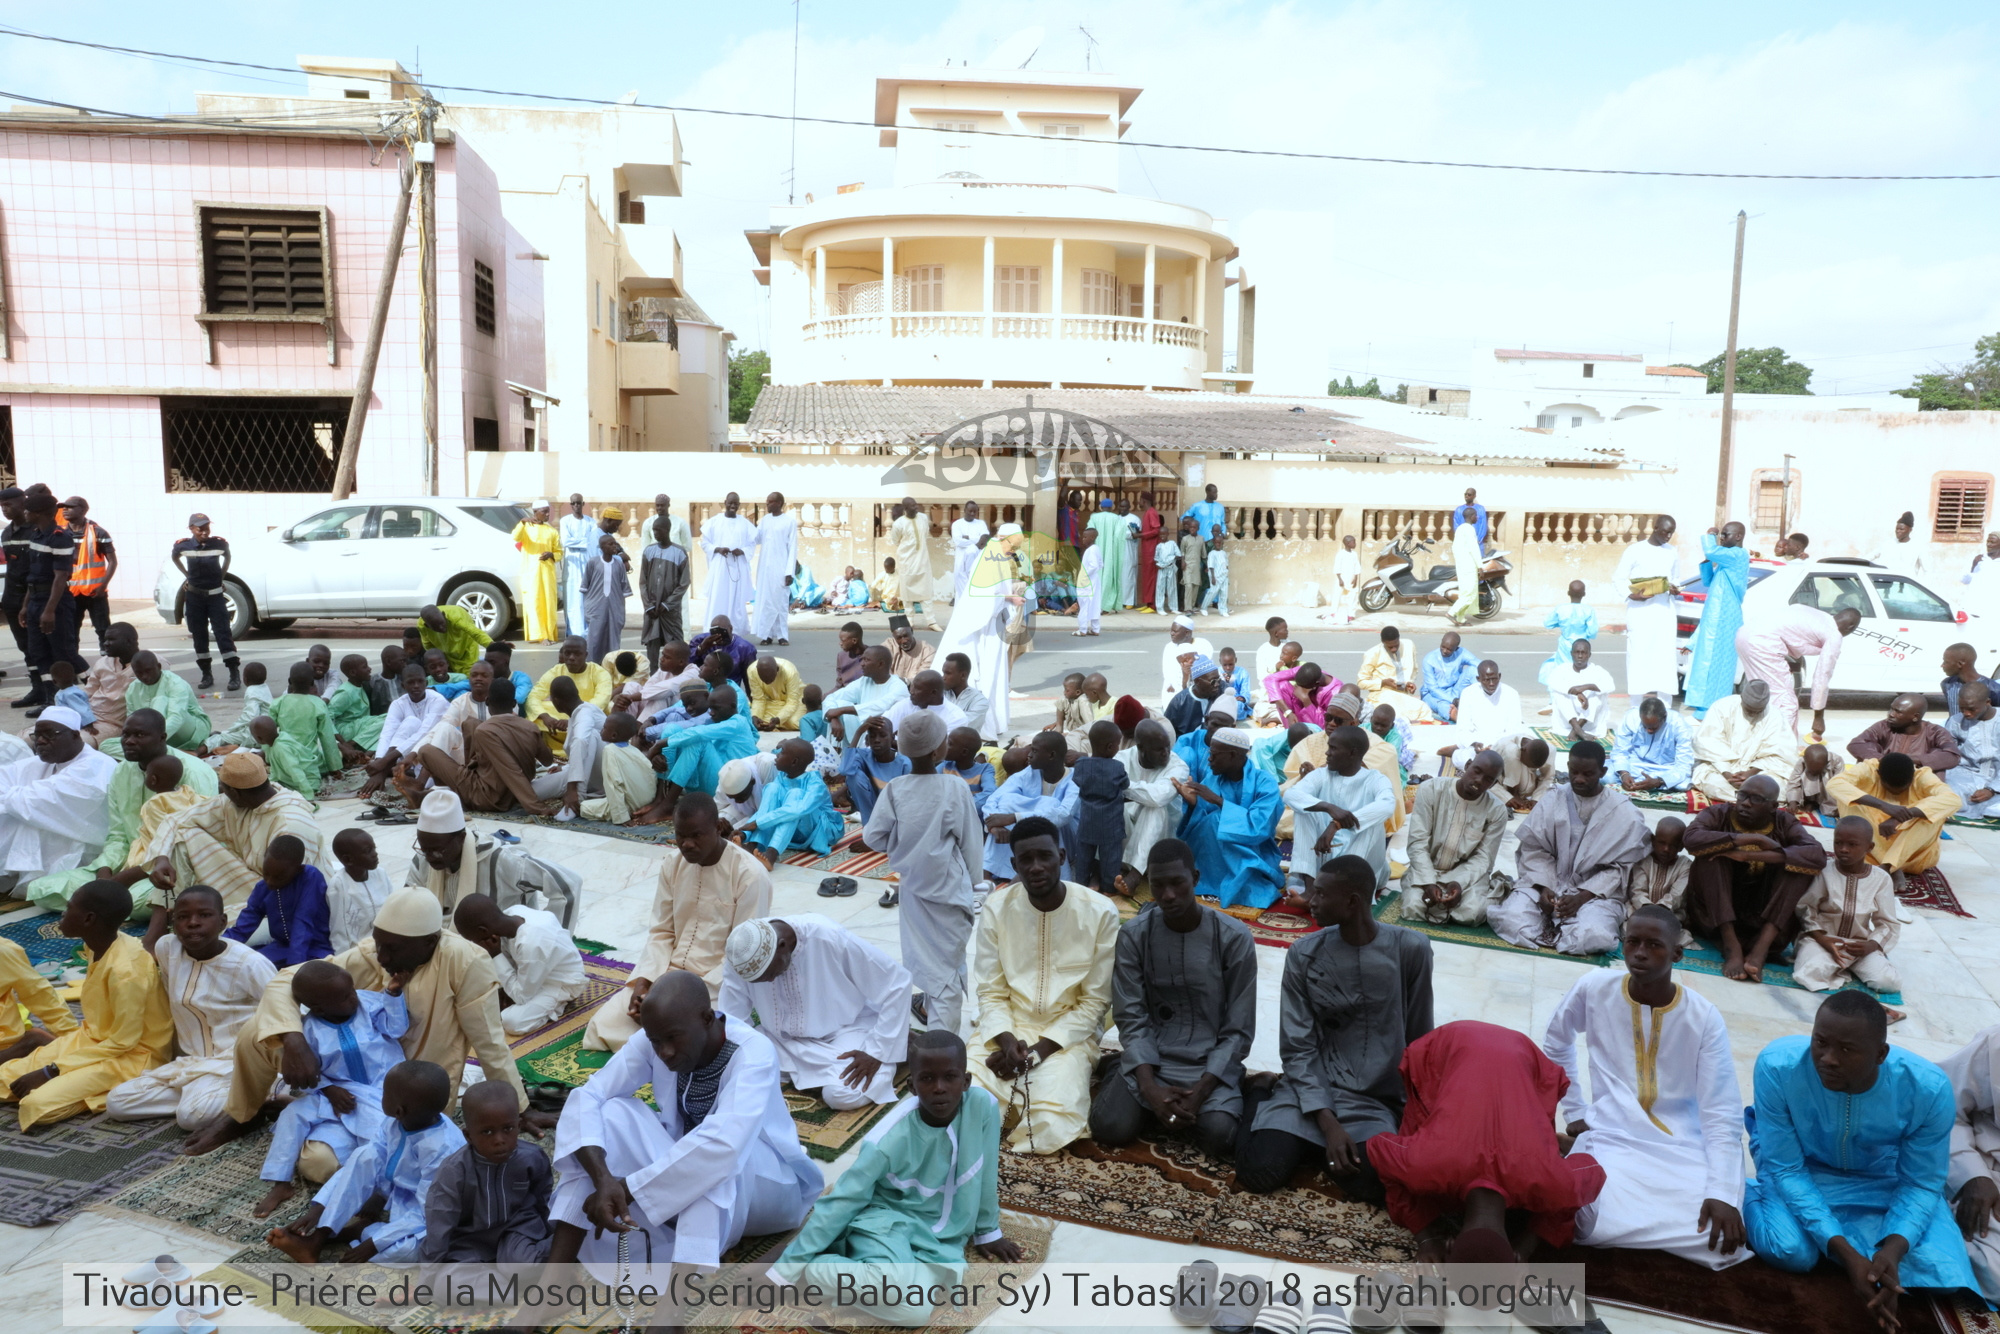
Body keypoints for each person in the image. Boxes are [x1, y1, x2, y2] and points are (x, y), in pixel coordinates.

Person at [181, 888, 542, 1160]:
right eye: (379, 944)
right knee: (260, 1031)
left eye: (392, 950)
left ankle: (309, 1119)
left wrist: (520, 1107)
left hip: (407, 1085)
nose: (382, 958)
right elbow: (289, 980)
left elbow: (490, 1041)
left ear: (430, 942)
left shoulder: (466, 963)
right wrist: (293, 1041)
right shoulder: (377, 951)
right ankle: (241, 1113)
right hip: (344, 1075)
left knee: (321, 1165)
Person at [550, 972, 825, 1280]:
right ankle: (554, 1279)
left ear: (708, 1018)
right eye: (656, 1042)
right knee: (612, 1112)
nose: (664, 1052)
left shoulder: (753, 1054)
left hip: (765, 1186)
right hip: (684, 1175)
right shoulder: (655, 1037)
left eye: (673, 1039)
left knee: (711, 1161)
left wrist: (628, 1188)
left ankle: (672, 1314)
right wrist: (604, 1180)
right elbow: (590, 1094)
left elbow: (723, 1148)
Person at [1742, 994, 1977, 1322]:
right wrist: (1848, 1254)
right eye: (1820, 1042)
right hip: (1801, 1168)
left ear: (1881, 1054)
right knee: (1790, 1251)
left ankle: (1864, 1253)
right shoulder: (1777, 1066)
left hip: (1881, 1175)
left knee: (1944, 1271)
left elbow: (1921, 1182)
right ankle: (1748, 1194)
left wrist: (1893, 1249)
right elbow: (1787, 1167)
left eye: (1847, 1049)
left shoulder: (1928, 1089)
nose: (1828, 1059)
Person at [1542, 905, 1749, 1268]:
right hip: (1612, 1138)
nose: (1639, 953)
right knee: (1586, 1219)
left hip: (1682, 1147)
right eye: (1632, 942)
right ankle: (1577, 1149)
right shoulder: (1594, 987)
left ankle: (1636, 1217)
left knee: (1718, 1235)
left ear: (1677, 954)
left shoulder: (1703, 1017)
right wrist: (1574, 1110)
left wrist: (1722, 1193)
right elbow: (1556, 1042)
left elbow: (1721, 1112)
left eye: (1654, 945)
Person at [774, 1028, 1018, 1321]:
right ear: (912, 1087)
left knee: (920, 1297)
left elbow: (987, 1167)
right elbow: (844, 1199)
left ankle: (871, 1275)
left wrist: (987, 1230)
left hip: (939, 1239)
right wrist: (784, 1271)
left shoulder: (983, 1107)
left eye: (950, 1077)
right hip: (886, 1224)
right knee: (913, 1310)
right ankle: (810, 1271)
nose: (939, 1087)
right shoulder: (886, 1140)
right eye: (927, 1079)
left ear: (965, 1081)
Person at [1238, 855, 1433, 1198]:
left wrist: (1411, 1111)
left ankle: (1312, 1148)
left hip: (1373, 1100)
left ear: (1353, 901)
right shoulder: (1304, 953)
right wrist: (1329, 1126)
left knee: (1374, 1184)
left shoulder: (1410, 950)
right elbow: (1297, 1046)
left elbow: (1419, 1037)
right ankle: (1259, 1092)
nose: (1311, 901)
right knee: (1259, 1172)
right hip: (1309, 1090)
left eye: (1322, 894)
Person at [1370, 1020, 1609, 1265]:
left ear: (1450, 1243)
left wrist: (1526, 1245)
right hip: (1456, 1046)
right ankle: (1541, 1140)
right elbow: (1378, 1147)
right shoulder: (1426, 1164)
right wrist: (1426, 1238)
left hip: (1518, 1052)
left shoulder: (1546, 1180)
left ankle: (1542, 1141)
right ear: (1450, 1244)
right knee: (1414, 1155)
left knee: (1417, 1178)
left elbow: (1590, 1170)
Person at [1092, 839, 1256, 1160]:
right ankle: (1122, 1070)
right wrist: (1150, 1087)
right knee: (1109, 1128)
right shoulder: (1134, 935)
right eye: (1158, 885)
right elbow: (1131, 1016)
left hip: (1209, 1063)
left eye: (1177, 883)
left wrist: (1202, 1091)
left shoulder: (1234, 937)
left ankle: (1249, 1089)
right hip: (1153, 1059)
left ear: (1195, 878)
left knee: (1220, 1137)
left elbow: (1239, 1029)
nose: (1167, 895)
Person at [969, 815, 1120, 1154]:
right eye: (1026, 859)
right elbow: (991, 991)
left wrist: (1035, 1055)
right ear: (1014, 864)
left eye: (1045, 856)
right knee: (965, 1097)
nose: (1036, 867)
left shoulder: (1100, 912)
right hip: (1004, 1030)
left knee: (1051, 1125)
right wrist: (1008, 1044)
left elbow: (1095, 1003)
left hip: (1066, 1038)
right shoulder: (997, 908)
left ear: (1062, 857)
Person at [584, 793, 771, 1051]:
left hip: (717, 985)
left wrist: (676, 998)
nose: (687, 844)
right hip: (666, 974)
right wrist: (645, 982)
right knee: (603, 1026)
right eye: (681, 836)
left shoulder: (750, 876)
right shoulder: (673, 864)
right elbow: (661, 931)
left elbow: (742, 956)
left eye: (696, 835)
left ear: (717, 828)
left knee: (699, 1038)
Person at [96, 885, 269, 1132]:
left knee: (191, 1118)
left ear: (222, 922)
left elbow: (287, 1012)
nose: (193, 923)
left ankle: (262, 1094)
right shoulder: (168, 949)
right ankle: (212, 1098)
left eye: (204, 915)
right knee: (118, 1103)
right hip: (192, 1063)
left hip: (235, 1062)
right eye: (183, 917)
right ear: (173, 922)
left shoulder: (248, 963)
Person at [0, 879, 170, 1129]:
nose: (62, 914)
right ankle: (67, 1076)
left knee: (34, 1104)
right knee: (5, 1080)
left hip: (133, 1055)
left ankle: (97, 1091)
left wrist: (51, 1071)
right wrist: (65, 1054)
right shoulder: (97, 945)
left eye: (69, 908)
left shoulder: (126, 971)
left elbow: (124, 1042)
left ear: (89, 919)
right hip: (94, 1040)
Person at [252, 960, 411, 1214]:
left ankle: (379, 1189)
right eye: (344, 997)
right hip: (335, 1094)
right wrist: (328, 1090)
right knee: (292, 1114)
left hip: (380, 1091)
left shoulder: (368, 1004)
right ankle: (280, 1182)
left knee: (376, 1135)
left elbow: (396, 1028)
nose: (353, 998)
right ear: (319, 1007)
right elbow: (311, 1073)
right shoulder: (309, 1029)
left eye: (351, 990)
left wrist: (392, 995)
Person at [266, 1059, 462, 1265]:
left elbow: (427, 1213)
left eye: (385, 1094)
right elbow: (370, 1161)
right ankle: (319, 1237)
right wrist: (321, 1208)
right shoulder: (397, 1121)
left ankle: (355, 1232)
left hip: (428, 1208)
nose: (380, 1097)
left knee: (407, 1251)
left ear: (399, 1110)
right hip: (397, 1187)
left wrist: (374, 1244)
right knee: (363, 1155)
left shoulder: (442, 1149)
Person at [720, 915, 911, 1111]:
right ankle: (822, 1071)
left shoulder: (829, 937)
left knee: (840, 1096)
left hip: (846, 1032)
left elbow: (897, 983)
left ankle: (894, 1053)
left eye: (770, 974)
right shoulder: (740, 953)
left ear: (783, 946)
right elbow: (734, 1019)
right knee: (734, 1069)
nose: (769, 982)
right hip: (782, 1042)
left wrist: (877, 1052)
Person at [1490, 741, 1652, 956]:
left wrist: (1582, 897)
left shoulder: (1625, 813)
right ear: (1567, 766)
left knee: (1594, 935)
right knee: (1511, 918)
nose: (1579, 779)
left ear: (1603, 771)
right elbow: (1534, 848)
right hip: (1546, 883)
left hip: (1594, 895)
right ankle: (1546, 922)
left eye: (1588, 773)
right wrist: (1544, 886)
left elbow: (1622, 868)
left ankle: (1567, 928)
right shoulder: (1553, 798)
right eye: (1574, 772)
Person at [1682, 774, 1828, 983]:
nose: (1745, 803)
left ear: (1773, 806)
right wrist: (1751, 839)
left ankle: (1760, 949)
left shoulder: (1784, 821)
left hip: (1761, 913)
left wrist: (1750, 854)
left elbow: (1817, 855)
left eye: (1756, 799)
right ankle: (1732, 946)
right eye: (1742, 795)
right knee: (1711, 858)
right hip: (1715, 914)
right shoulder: (1719, 814)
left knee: (1800, 869)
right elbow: (1691, 838)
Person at [417, 1079, 555, 1267]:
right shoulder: (454, 1171)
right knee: (447, 1284)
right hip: (471, 1239)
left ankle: (565, 1251)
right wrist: (428, 1275)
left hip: (517, 1230)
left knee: (524, 1266)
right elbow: (439, 1223)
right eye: (487, 1132)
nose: (499, 1140)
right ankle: (505, 1287)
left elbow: (542, 1200)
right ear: (468, 1135)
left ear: (519, 1126)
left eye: (507, 1129)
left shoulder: (532, 1158)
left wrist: (547, 1235)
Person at [405, 788, 578, 924]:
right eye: (424, 849)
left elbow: (568, 884)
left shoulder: (501, 859)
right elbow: (407, 905)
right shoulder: (423, 859)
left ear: (461, 838)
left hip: (501, 952)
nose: (429, 857)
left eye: (437, 850)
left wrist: (553, 938)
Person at [0, 706, 119, 896]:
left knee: (25, 817)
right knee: (15, 813)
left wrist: (10, 799)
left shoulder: (96, 766)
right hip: (56, 834)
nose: (40, 741)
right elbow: (6, 776)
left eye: (48, 735)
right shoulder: (48, 761)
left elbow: (39, 801)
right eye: (36, 736)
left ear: (74, 735)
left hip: (85, 845)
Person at [412, 679, 559, 817]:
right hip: (505, 790)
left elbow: (511, 770)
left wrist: (535, 807)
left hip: (488, 798)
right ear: (514, 703)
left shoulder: (485, 731)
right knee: (470, 723)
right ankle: (452, 786)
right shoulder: (530, 727)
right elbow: (547, 761)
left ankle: (440, 793)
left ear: (487, 701)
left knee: (426, 751)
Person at [1175, 725, 1285, 907]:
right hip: (1211, 855)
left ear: (1233, 755)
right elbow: (1199, 823)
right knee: (1212, 820)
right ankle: (1214, 879)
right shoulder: (1213, 778)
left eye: (1214, 755)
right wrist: (1193, 802)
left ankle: (1240, 879)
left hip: (1255, 851)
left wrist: (1220, 802)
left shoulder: (1265, 782)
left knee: (1218, 819)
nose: (1209, 759)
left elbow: (1259, 827)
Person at [1794, 816, 1903, 995]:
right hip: (1821, 940)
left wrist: (1871, 946)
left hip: (1859, 945)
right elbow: (1806, 908)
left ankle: (1843, 967)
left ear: (1869, 848)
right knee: (1810, 974)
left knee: (1889, 982)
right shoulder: (1824, 871)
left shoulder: (1881, 879)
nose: (1843, 850)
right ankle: (1839, 967)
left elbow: (1887, 923)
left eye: (1852, 845)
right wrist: (1823, 939)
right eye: (1838, 843)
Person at [452, 892, 586, 1035]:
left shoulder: (532, 944)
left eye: (474, 940)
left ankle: (558, 1002)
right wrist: (503, 988)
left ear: (483, 931)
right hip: (532, 970)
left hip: (561, 981)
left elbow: (522, 997)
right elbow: (509, 958)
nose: (475, 944)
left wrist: (495, 955)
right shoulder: (512, 913)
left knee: (511, 1021)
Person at [1400, 749, 1508, 926]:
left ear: (1493, 784)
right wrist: (1428, 882)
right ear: (1467, 766)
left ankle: (1496, 889)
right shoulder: (1431, 789)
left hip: (1466, 877)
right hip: (1427, 869)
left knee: (1472, 914)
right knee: (1413, 907)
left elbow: (1484, 858)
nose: (1479, 780)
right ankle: (1435, 895)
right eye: (1476, 771)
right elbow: (1417, 843)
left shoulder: (1497, 811)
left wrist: (1457, 883)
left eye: (1488, 779)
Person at [1285, 723, 1394, 890]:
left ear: (1352, 753)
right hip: (1324, 855)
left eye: (1333, 748)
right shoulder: (1322, 774)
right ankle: (1310, 889)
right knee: (1303, 811)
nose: (1327, 753)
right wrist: (1328, 807)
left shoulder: (1375, 779)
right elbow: (1290, 795)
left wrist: (1337, 824)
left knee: (1372, 823)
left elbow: (1387, 805)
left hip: (1364, 867)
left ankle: (1344, 889)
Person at [1736, 601, 1862, 739]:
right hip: (1762, 644)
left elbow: (1791, 633)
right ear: (1851, 627)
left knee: (1763, 695)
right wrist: (1818, 717)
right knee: (1787, 702)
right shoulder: (1834, 635)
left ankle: (1756, 738)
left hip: (1744, 635)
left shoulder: (1821, 617)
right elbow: (1822, 677)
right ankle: (1778, 749)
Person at [1829, 751, 1962, 880]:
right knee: (1849, 800)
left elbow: (1954, 800)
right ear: (1878, 774)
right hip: (1868, 854)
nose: (1896, 792)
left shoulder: (1922, 776)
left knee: (1933, 814)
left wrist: (1902, 816)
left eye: (1904, 788)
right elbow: (1834, 784)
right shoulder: (1868, 769)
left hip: (1911, 858)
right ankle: (1893, 867)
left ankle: (1888, 866)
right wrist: (1884, 806)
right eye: (1889, 788)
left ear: (1913, 777)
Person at [1940, 1027, 2000, 1303]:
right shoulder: (1996, 1046)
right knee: (1996, 1273)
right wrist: (1971, 1175)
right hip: (1986, 1172)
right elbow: (1941, 1105)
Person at [224, 834, 332, 967]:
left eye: (279, 877)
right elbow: (245, 924)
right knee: (244, 965)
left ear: (298, 869)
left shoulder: (310, 877)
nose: (270, 882)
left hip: (315, 949)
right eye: (266, 874)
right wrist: (220, 946)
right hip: (281, 948)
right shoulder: (262, 888)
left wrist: (294, 967)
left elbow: (303, 922)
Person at [983, 731, 1078, 880]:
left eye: (1034, 751)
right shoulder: (1029, 773)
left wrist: (1014, 817)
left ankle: (1059, 877)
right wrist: (994, 825)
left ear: (1052, 755)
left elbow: (1063, 815)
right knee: (1006, 801)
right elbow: (994, 799)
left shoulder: (1075, 779)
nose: (1029, 755)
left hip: (1068, 840)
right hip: (1033, 835)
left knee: (1051, 805)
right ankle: (987, 875)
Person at [737, 738, 843, 864]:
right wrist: (744, 832)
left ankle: (772, 853)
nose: (777, 755)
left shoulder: (815, 784)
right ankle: (753, 844)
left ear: (794, 762)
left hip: (820, 831)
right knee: (772, 788)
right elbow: (766, 810)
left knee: (795, 795)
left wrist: (757, 823)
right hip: (795, 829)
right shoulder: (781, 778)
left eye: (782, 752)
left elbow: (797, 811)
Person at [167, 511, 240, 692]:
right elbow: (174, 557)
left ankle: (234, 674)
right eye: (200, 529)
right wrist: (187, 577)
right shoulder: (183, 546)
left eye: (206, 528)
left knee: (223, 634)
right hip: (194, 598)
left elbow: (227, 556)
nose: (204, 532)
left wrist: (220, 577)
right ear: (191, 529)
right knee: (199, 636)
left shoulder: (219, 543)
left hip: (215, 596)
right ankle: (206, 674)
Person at [1692, 679, 1797, 803]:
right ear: (1741, 698)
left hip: (1759, 773)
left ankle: (1746, 797)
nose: (1752, 714)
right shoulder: (1722, 707)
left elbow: (1781, 754)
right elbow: (1708, 743)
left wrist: (1751, 773)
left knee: (1779, 787)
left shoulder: (1775, 716)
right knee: (1713, 783)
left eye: (1757, 711)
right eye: (1749, 709)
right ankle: (1756, 800)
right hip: (1722, 769)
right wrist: (1728, 774)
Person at [1616, 514, 1685, 700]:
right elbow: (1619, 578)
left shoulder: (1672, 551)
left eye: (1671, 533)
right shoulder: (1635, 550)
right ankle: (1636, 704)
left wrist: (1674, 588)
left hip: (1664, 612)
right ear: (1655, 528)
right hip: (1641, 612)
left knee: (1665, 657)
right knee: (1638, 656)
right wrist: (1632, 595)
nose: (1668, 536)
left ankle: (1665, 703)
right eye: (1665, 532)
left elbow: (1676, 577)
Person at [1687, 522, 1751, 717]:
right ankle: (1702, 705)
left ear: (1738, 537)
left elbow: (1711, 549)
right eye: (1720, 535)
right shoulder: (1726, 560)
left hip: (1726, 617)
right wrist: (1708, 558)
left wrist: (1710, 536)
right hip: (1714, 615)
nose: (1722, 538)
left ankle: (1713, 708)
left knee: (1718, 663)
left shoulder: (1738, 556)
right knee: (1705, 660)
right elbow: (1708, 581)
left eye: (1725, 534)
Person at [1119, 717, 1189, 880]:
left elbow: (1158, 797)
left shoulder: (1179, 766)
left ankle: (1134, 877)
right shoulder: (1121, 759)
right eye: (1159, 749)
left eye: (1167, 747)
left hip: (1161, 839)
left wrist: (1123, 788)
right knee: (1106, 806)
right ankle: (1106, 868)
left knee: (1155, 808)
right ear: (1140, 748)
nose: (1166, 753)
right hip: (1126, 834)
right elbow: (1105, 784)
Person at [1069, 721, 1129, 892]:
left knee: (1083, 858)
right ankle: (1109, 888)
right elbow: (1125, 784)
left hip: (1087, 822)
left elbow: (1077, 781)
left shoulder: (1081, 764)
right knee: (1111, 859)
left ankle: (1080, 886)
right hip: (1111, 826)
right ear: (1111, 747)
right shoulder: (1117, 767)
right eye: (1118, 745)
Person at [1849, 693, 1961, 775]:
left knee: (1938, 760)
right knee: (1868, 750)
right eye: (1891, 709)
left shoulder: (1935, 732)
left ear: (1915, 717)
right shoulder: (1884, 726)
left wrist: (1907, 760)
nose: (1890, 714)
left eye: (1898, 712)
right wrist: (1885, 760)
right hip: (1883, 775)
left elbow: (1952, 756)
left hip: (1917, 781)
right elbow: (1856, 744)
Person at [823, 644, 911, 748]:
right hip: (862, 731)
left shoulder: (898, 687)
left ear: (880, 664)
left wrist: (841, 710)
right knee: (840, 703)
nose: (862, 664)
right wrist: (834, 718)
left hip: (884, 738)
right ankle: (836, 755)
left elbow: (880, 706)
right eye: (862, 659)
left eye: (866, 660)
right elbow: (831, 698)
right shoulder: (865, 681)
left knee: (841, 707)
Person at [125, 649, 211, 753]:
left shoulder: (175, 683)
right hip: (153, 739)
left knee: (159, 703)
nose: (144, 676)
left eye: (148, 671)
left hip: (191, 731)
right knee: (107, 745)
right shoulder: (133, 688)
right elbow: (132, 720)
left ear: (159, 667)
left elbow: (177, 718)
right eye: (139, 673)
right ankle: (169, 752)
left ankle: (154, 751)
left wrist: (149, 741)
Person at [324, 828, 392, 955]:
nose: (375, 854)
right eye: (368, 851)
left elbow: (393, 910)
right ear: (348, 860)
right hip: (359, 952)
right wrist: (344, 961)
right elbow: (339, 932)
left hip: (387, 944)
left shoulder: (381, 874)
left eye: (374, 848)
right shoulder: (339, 885)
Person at [1609, 696, 1695, 793]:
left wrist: (1659, 781)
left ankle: (1656, 784)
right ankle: (1639, 781)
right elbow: (1620, 751)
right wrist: (1624, 774)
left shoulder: (1679, 725)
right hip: (1635, 765)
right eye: (1645, 727)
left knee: (1682, 785)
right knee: (1607, 776)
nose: (1648, 731)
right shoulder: (1630, 718)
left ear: (1664, 717)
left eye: (1653, 728)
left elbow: (1684, 764)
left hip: (1666, 768)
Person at [637, 517, 690, 671]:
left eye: (658, 530)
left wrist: (668, 604)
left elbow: (684, 583)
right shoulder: (649, 551)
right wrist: (648, 605)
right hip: (652, 610)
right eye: (653, 530)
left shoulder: (679, 552)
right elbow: (643, 581)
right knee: (652, 645)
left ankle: (675, 677)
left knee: (674, 646)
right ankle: (653, 678)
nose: (655, 533)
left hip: (670, 611)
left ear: (667, 530)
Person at [1447, 658, 1525, 762]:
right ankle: (1473, 767)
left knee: (1516, 753)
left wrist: (1495, 746)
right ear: (1478, 679)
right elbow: (1463, 728)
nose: (1491, 683)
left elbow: (1514, 729)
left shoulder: (1511, 694)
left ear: (1499, 676)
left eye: (1494, 679)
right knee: (1460, 756)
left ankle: (1480, 767)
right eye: (1487, 680)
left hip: (1503, 745)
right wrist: (1474, 744)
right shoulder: (1468, 693)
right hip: (1476, 744)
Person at [700, 490, 757, 630]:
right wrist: (718, 549)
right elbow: (705, 543)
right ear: (725, 503)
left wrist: (742, 551)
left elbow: (752, 544)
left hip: (737, 566)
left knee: (736, 600)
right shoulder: (714, 522)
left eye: (736, 503)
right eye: (730, 503)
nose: (733, 506)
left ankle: (735, 630)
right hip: (720, 566)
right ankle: (713, 628)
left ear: (739, 505)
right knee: (718, 596)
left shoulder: (745, 523)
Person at [840, 716, 911, 826]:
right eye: (872, 736)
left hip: (896, 814)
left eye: (883, 736)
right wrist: (859, 732)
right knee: (853, 776)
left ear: (892, 738)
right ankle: (869, 824)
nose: (877, 740)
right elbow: (845, 770)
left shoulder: (904, 763)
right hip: (871, 811)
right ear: (867, 740)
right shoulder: (864, 756)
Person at [1945, 681, 2000, 818]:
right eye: (1962, 709)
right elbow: (1946, 752)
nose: (1966, 713)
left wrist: (1991, 789)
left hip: (1997, 778)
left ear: (1988, 702)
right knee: (1945, 794)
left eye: (1971, 709)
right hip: (1965, 776)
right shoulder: (1956, 721)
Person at [509, 501, 561, 644]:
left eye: (548, 511)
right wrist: (522, 522)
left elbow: (559, 552)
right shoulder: (526, 528)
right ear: (535, 512)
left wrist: (551, 554)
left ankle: (549, 633)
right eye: (544, 511)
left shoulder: (552, 531)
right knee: (534, 602)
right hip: (531, 572)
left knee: (548, 603)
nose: (548, 514)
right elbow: (515, 537)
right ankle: (539, 635)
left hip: (547, 572)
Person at [79, 621, 139, 746]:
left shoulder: (149, 665)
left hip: (112, 724)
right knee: (32, 736)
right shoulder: (102, 663)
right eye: (105, 639)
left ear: (129, 641)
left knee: (74, 743)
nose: (105, 643)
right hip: (88, 716)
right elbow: (86, 693)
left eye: (111, 639)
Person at [1627, 817, 1692, 931]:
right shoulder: (1643, 861)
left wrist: (1660, 912)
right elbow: (1637, 892)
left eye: (1673, 845)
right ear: (1653, 840)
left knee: (1670, 933)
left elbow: (1677, 896)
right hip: (1640, 912)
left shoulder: (1685, 865)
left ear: (1681, 847)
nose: (1666, 849)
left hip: (1670, 916)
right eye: (1662, 843)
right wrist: (1648, 911)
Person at [751, 491, 799, 645]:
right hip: (765, 569)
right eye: (767, 501)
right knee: (766, 602)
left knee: (781, 602)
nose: (767, 504)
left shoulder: (789, 522)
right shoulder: (765, 520)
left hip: (781, 569)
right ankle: (767, 635)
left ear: (778, 503)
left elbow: (792, 548)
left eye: (770, 502)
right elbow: (756, 538)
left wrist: (789, 572)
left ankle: (782, 635)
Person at [577, 532, 630, 665]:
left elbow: (624, 588)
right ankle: (592, 666)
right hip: (596, 607)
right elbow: (585, 587)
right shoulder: (593, 562)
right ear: (602, 547)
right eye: (610, 544)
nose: (614, 546)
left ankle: (612, 667)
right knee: (594, 638)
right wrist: (588, 607)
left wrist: (620, 609)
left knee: (613, 639)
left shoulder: (619, 565)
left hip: (614, 607)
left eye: (615, 543)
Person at [1546, 639, 1615, 740]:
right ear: (1571, 653)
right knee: (1559, 695)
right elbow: (1553, 683)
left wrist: (1587, 687)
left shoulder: (1598, 671)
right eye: (1577, 652)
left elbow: (1610, 686)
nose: (1580, 656)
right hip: (1566, 723)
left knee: (1597, 695)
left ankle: (1576, 731)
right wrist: (1577, 693)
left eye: (1583, 653)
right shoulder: (1562, 670)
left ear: (1589, 655)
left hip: (1591, 724)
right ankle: (1578, 730)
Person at [890, 496, 942, 629]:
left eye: (916, 504)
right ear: (906, 508)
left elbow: (925, 535)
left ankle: (931, 621)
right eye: (913, 506)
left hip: (923, 560)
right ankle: (909, 619)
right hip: (907, 561)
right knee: (906, 592)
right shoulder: (899, 523)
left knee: (926, 590)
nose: (916, 507)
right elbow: (896, 541)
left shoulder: (923, 518)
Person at [1538, 580, 1599, 691]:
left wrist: (1561, 624)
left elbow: (1548, 623)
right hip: (1582, 645)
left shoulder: (1561, 609)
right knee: (1580, 670)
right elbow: (1593, 632)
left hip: (1564, 645)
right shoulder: (1588, 610)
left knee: (1561, 671)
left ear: (1568, 593)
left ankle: (1557, 697)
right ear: (1584, 594)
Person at [1358, 625, 1428, 722]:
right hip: (1382, 695)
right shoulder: (1373, 653)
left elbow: (1414, 669)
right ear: (1383, 642)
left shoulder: (1409, 645)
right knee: (1397, 716)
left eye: (1396, 645)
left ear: (1399, 639)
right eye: (1390, 647)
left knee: (1423, 709)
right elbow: (1361, 682)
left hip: (1403, 694)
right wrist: (1383, 683)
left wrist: (1409, 683)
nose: (1394, 649)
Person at [556, 494, 595, 638]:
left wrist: (580, 542)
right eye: (574, 503)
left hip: (587, 562)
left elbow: (594, 540)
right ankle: (573, 633)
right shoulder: (565, 521)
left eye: (579, 503)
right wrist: (584, 542)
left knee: (587, 597)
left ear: (583, 504)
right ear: (570, 504)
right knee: (573, 599)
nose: (576, 506)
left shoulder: (590, 522)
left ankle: (587, 632)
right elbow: (566, 541)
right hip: (572, 565)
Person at [1419, 630, 1477, 721]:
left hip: (1454, 689)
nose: (1445, 651)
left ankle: (1482, 700)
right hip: (1432, 695)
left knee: (1474, 670)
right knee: (1443, 706)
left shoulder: (1462, 652)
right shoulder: (1429, 659)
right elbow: (1433, 689)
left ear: (1456, 648)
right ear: (1441, 642)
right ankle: (1458, 717)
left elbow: (1480, 665)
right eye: (1443, 647)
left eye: (1449, 649)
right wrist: (1454, 700)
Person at [1784, 744, 1847, 821]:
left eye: (1817, 770)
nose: (1814, 773)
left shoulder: (1837, 761)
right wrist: (1793, 801)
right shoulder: (1801, 762)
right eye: (1812, 770)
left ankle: (1823, 805)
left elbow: (1839, 785)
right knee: (1807, 776)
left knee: (1830, 784)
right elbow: (1794, 782)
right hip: (1808, 794)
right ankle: (1811, 801)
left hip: (1827, 792)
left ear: (1826, 763)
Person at [1496, 734, 1557, 811]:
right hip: (1503, 779)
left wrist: (1537, 798)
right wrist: (1507, 797)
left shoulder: (1549, 750)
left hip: (1526, 786)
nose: (1528, 768)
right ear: (1523, 750)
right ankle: (1515, 794)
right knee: (1512, 755)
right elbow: (1491, 784)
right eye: (1527, 765)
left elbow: (1548, 777)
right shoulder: (1505, 748)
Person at [746, 653, 805, 731]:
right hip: (773, 702)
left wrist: (778, 719)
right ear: (757, 670)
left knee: (794, 722)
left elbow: (792, 702)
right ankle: (779, 723)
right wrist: (755, 716)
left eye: (769, 678)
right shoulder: (752, 671)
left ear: (777, 669)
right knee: (754, 720)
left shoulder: (790, 672)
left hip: (796, 700)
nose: (767, 681)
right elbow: (759, 699)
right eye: (763, 678)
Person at [1941, 643, 2000, 718]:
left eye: (1946, 662)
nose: (1942, 665)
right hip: (1954, 729)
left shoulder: (1993, 689)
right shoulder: (1947, 684)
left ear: (1960, 664)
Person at [1448, 501, 1483, 624]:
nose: (1477, 517)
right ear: (1471, 516)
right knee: (1470, 594)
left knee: (1465, 592)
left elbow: (1454, 547)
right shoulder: (1469, 529)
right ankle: (1452, 612)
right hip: (1469, 565)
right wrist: (1480, 566)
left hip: (1461, 565)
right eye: (1475, 515)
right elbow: (1474, 549)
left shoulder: (1460, 529)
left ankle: (1460, 618)